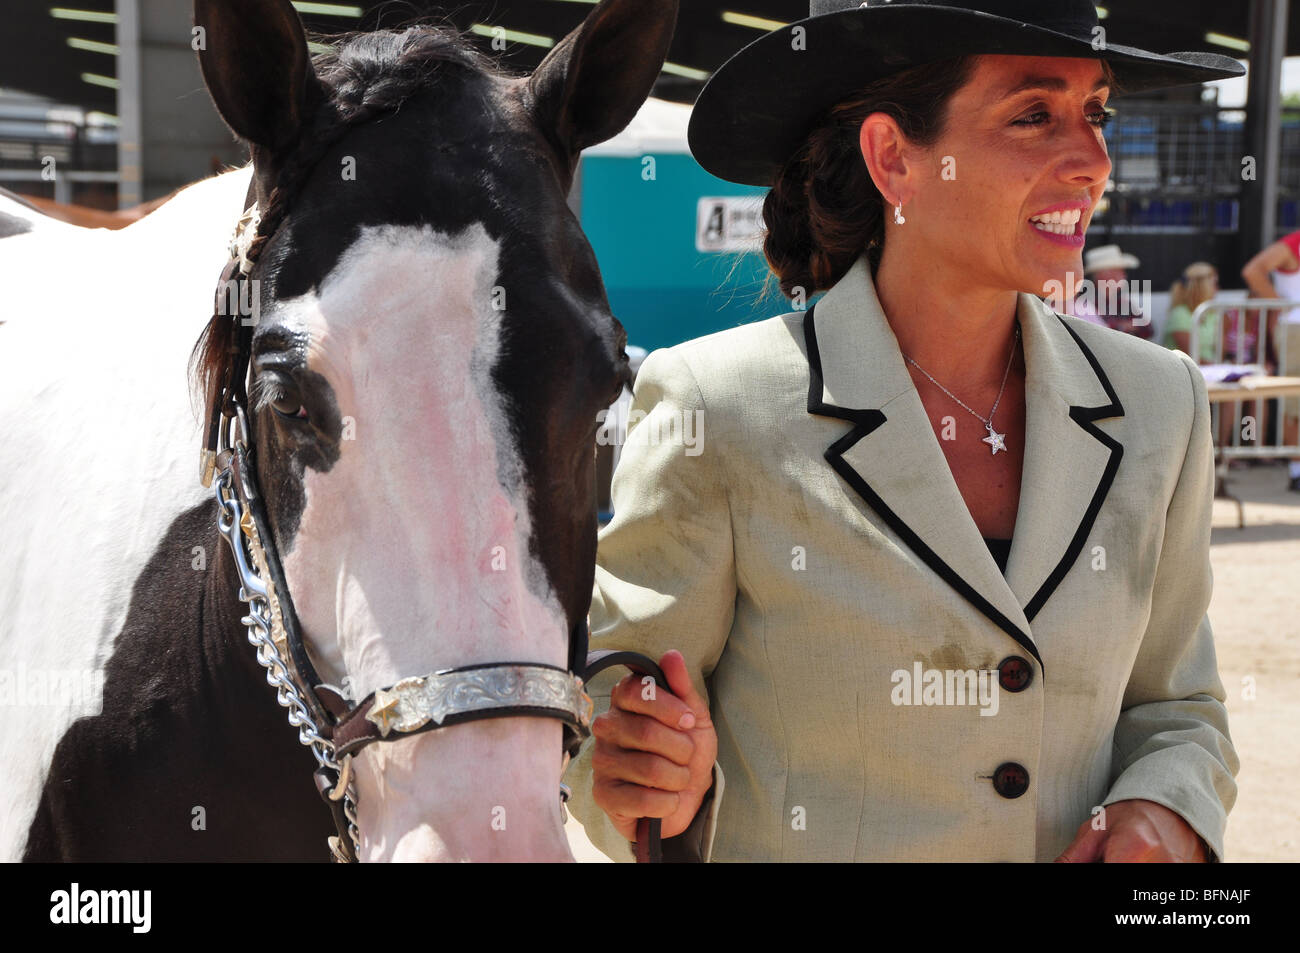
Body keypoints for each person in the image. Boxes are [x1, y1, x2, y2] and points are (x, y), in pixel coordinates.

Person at [564, 0, 1242, 862]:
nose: (1093, 160)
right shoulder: (715, 404)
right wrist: (654, 783)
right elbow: (607, 731)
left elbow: (1179, 706)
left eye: (1096, 112)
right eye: (1034, 115)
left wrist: (1164, 810)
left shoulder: (1160, 403)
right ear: (893, 159)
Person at [1241, 229, 1300, 491]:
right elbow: (1253, 270)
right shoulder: (1293, 243)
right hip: (1295, 330)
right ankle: (1297, 469)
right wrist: (1281, 305)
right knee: (1294, 401)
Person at [1071, 244, 1152, 338]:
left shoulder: (1122, 301)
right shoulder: (1085, 302)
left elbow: (1148, 329)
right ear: (1103, 275)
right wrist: (1125, 326)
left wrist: (1121, 327)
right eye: (1119, 272)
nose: (1124, 276)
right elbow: (1097, 333)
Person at [1163, 262, 1221, 365]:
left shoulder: (1212, 313)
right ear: (1202, 287)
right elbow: (1190, 356)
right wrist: (1220, 369)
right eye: (1214, 284)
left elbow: (1220, 351)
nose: (1217, 289)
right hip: (1187, 374)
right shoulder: (1179, 314)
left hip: (1209, 372)